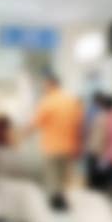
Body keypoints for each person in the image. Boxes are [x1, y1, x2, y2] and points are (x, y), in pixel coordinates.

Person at [32, 73, 83, 203]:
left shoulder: (47, 101)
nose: (44, 87)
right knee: (63, 179)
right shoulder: (71, 101)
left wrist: (20, 135)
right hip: (69, 147)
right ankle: (62, 201)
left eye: (45, 85)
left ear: (50, 84)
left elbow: (36, 123)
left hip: (52, 147)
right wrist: (78, 146)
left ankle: (54, 204)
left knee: (52, 178)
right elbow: (78, 126)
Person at [83, 92, 109, 190]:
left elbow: (85, 128)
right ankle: (97, 187)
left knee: (92, 167)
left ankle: (92, 186)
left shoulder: (88, 111)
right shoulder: (100, 112)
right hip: (98, 143)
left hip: (90, 143)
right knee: (98, 167)